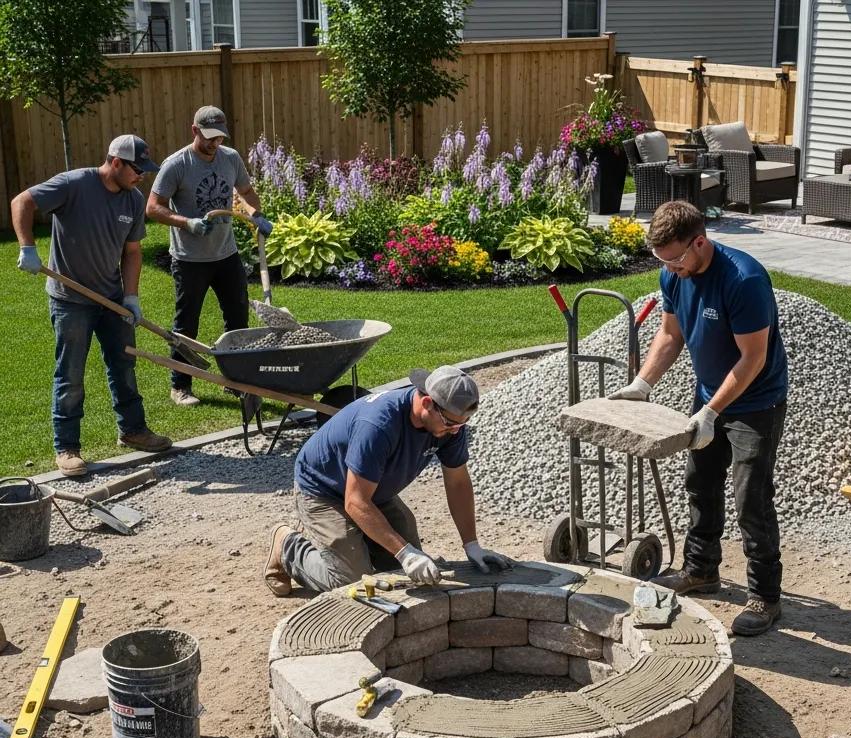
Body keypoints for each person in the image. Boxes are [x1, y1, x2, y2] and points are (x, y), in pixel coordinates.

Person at [611, 200, 788, 636]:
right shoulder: (673, 273)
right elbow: (670, 334)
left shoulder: (743, 280)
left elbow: (752, 358)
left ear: (700, 242)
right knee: (700, 484)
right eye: (662, 260)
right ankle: (701, 570)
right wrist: (643, 384)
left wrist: (713, 411)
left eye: (676, 258)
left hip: (755, 403)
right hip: (707, 396)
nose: (670, 269)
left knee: (752, 500)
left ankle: (765, 597)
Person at [264, 365, 514, 595]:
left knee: (406, 571)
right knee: (349, 580)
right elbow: (355, 502)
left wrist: (472, 545)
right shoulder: (378, 425)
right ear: (427, 402)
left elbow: (458, 482)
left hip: (371, 490)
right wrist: (405, 553)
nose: (456, 431)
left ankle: (358, 549)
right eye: (451, 423)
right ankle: (287, 547)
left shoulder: (450, 424)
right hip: (323, 490)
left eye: (462, 424)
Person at [11, 135, 172, 477]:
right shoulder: (73, 185)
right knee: (70, 374)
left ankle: (133, 430)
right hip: (70, 300)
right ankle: (66, 447)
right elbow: (22, 201)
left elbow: (132, 253)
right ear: (116, 162)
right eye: (136, 169)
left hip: (111, 298)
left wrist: (130, 297)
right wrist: (27, 247)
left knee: (124, 364)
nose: (141, 175)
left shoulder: (132, 200)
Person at [146, 105, 272, 406]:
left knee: (237, 319)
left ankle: (234, 381)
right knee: (187, 323)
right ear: (195, 131)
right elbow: (153, 207)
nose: (215, 143)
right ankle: (180, 385)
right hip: (189, 258)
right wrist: (186, 222)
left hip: (225, 254)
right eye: (209, 137)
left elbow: (246, 190)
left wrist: (256, 214)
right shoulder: (177, 164)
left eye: (219, 137)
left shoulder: (230, 158)